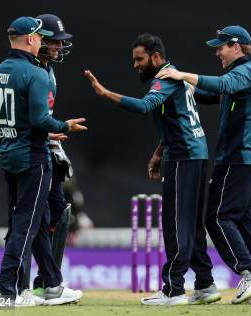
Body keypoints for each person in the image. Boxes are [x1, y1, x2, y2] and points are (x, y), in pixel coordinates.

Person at [84, 33, 218, 306]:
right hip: (194, 155)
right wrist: (159, 152)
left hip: (184, 158)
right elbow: (176, 119)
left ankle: (174, 290)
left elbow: (145, 106)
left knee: (175, 224)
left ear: (156, 57)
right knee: (191, 224)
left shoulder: (165, 79)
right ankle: (205, 284)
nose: (135, 64)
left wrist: (105, 92)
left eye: (139, 59)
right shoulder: (176, 75)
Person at [156, 25, 251, 304]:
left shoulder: (244, 71)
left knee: (217, 217)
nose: (217, 52)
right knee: (245, 219)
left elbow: (222, 86)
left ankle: (250, 273)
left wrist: (181, 74)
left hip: (238, 159)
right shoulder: (245, 75)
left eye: (220, 46)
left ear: (236, 45)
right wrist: (182, 86)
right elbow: (212, 94)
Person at [0, 16, 85, 307]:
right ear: (32, 39)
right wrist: (63, 126)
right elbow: (41, 118)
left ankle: (51, 283)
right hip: (33, 155)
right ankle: (7, 289)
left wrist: (40, 129)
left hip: (9, 151)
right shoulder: (36, 73)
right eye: (44, 38)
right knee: (26, 224)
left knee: (35, 220)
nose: (48, 43)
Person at [25, 13, 77, 297]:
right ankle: (47, 283)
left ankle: (47, 280)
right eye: (54, 42)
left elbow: (45, 114)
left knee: (61, 213)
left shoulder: (47, 68)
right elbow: (30, 117)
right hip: (32, 151)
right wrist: (50, 133)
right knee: (39, 218)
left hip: (48, 147)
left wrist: (56, 144)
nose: (59, 47)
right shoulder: (29, 69)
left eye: (61, 42)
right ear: (39, 40)